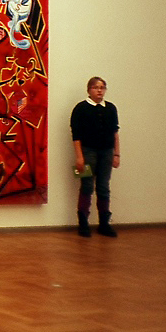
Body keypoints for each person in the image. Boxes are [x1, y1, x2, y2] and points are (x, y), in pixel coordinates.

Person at [70, 76, 121, 237]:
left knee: (103, 186)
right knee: (86, 186)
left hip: (106, 152)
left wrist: (116, 153)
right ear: (89, 90)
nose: (99, 91)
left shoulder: (111, 108)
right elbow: (76, 136)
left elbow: (115, 133)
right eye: (96, 87)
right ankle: (83, 222)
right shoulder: (80, 108)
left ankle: (104, 223)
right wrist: (79, 157)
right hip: (87, 152)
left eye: (102, 87)